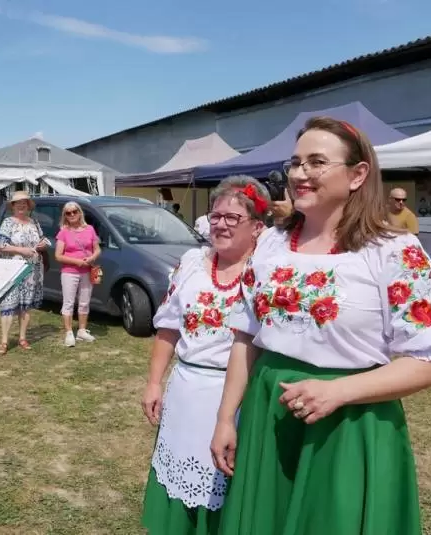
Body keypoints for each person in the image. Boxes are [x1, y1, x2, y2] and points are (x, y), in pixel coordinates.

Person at [210, 117, 431, 535]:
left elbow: (427, 363)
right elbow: (246, 335)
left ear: (358, 174)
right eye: (295, 162)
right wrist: (225, 417)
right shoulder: (270, 244)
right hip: (270, 414)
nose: (300, 173)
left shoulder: (394, 251)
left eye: (317, 162)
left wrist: (338, 391)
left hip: (350, 425)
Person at [141, 176, 269, 534]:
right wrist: (154, 382)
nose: (221, 225)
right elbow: (169, 326)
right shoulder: (192, 263)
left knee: (228, 480)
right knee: (180, 475)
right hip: (186, 389)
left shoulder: (267, 271)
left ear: (257, 227)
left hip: (239, 396)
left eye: (232, 218)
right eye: (216, 216)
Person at [0, 191, 49, 354]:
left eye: (24, 203)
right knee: (9, 304)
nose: (21, 205)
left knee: (26, 305)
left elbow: (43, 239)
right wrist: (21, 250)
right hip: (13, 270)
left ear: (28, 206)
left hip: (33, 270)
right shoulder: (8, 222)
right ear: (13, 206)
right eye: (18, 203)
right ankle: (4, 341)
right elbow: (0, 245)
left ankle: (22, 338)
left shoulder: (34, 222)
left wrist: (43, 245)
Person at [55, 201, 101, 347]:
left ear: (80, 213)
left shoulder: (90, 229)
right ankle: (69, 332)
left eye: (74, 211)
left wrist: (92, 258)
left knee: (85, 301)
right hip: (70, 272)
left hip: (87, 271)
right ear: (65, 216)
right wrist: (77, 262)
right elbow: (58, 256)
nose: (72, 214)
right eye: (68, 213)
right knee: (68, 302)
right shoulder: (63, 232)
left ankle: (81, 330)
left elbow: (97, 249)